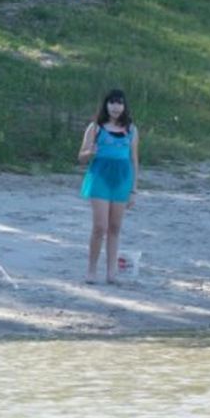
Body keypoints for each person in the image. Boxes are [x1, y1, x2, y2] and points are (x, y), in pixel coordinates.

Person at [78, 88, 139, 283]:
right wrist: (90, 153)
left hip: (122, 179)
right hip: (100, 177)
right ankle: (91, 270)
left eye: (119, 103)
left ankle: (112, 273)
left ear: (124, 106)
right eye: (112, 102)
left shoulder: (131, 129)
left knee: (115, 227)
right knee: (100, 226)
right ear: (106, 105)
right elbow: (81, 157)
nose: (116, 107)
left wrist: (133, 190)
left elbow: (134, 160)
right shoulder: (95, 128)